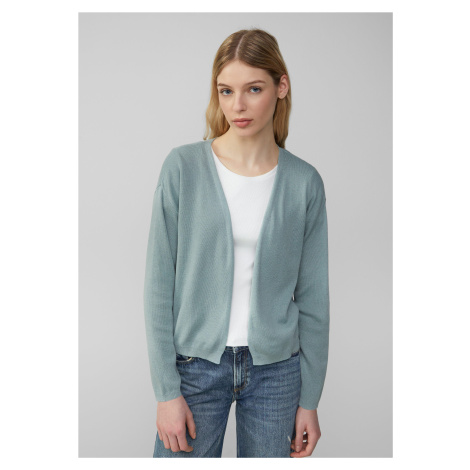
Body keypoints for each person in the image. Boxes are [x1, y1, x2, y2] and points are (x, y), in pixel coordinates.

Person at [143, 28, 330, 458]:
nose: (237, 105)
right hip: (194, 369)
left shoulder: (304, 183)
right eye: (226, 90)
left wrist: (310, 400)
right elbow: (158, 287)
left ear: (281, 86)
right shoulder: (183, 168)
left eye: (254, 89)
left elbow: (314, 299)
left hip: (276, 374)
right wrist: (166, 391)